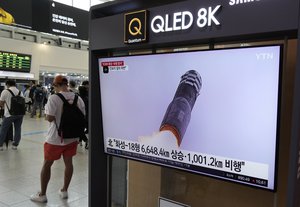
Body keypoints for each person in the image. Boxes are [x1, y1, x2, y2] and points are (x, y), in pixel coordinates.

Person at [30, 75, 85, 203]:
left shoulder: (54, 98)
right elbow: (82, 116)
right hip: (72, 138)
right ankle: (64, 190)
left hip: (55, 138)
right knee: (69, 163)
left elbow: (49, 117)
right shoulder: (78, 98)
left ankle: (42, 194)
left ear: (56, 85)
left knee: (47, 164)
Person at [0, 79, 24, 151]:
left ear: (7, 84)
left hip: (9, 114)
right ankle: (15, 145)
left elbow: (1, 103)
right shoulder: (20, 92)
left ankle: (0, 145)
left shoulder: (5, 91)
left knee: (3, 129)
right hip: (20, 114)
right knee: (18, 129)